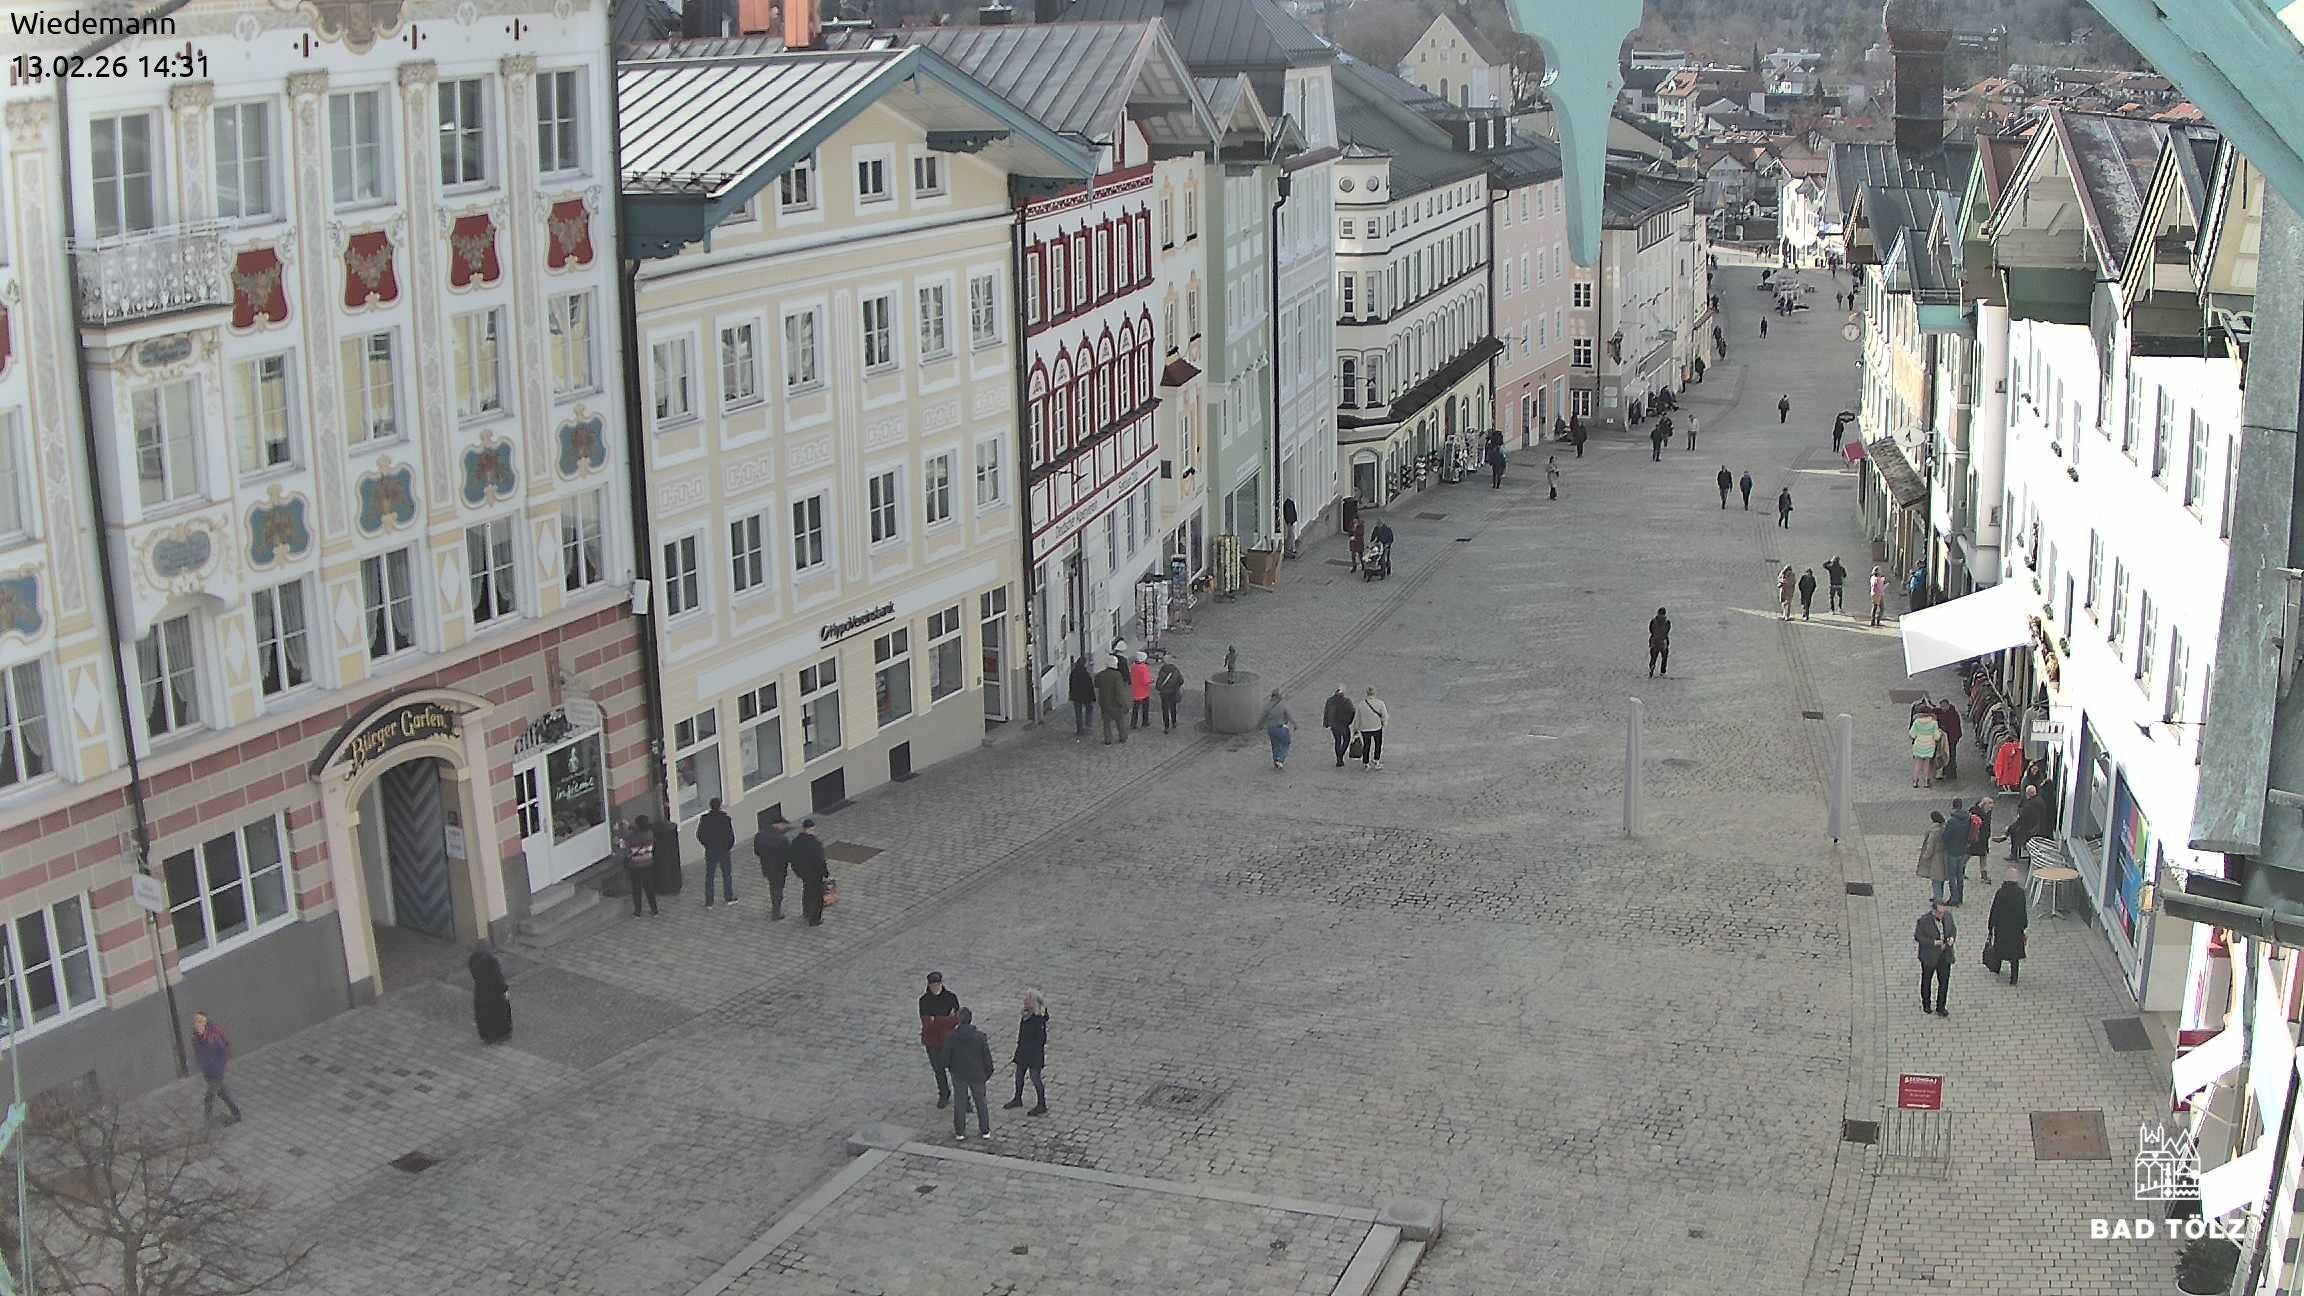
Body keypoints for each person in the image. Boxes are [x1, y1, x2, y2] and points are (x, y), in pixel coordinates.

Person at [942, 1007, 996, 1140]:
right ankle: (985, 1130)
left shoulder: (951, 1036)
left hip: (959, 1074)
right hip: (977, 1074)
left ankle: (959, 1132)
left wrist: (952, 1068)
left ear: (959, 1019)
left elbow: (945, 1058)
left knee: (960, 1103)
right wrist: (987, 1074)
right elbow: (987, 1059)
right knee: (981, 1103)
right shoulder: (980, 1037)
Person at [192, 1011, 244, 1125]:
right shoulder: (195, 1037)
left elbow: (223, 1052)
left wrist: (218, 1069)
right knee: (222, 1093)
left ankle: (207, 1123)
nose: (197, 1024)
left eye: (200, 1022)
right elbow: (198, 1053)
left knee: (209, 1097)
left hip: (216, 1072)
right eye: (196, 1021)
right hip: (207, 1071)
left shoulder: (213, 1037)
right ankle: (236, 1114)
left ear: (205, 1023)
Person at [1004, 990, 1050, 1115]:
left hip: (1034, 1054)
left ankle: (1042, 1104)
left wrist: (1029, 1046)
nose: (1024, 1001)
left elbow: (1041, 1040)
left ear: (1033, 1002)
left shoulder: (1038, 1020)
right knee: (1019, 1075)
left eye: (1027, 999)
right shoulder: (1026, 1015)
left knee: (1035, 1078)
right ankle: (1017, 1098)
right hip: (1023, 1051)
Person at [919, 972, 961, 1109]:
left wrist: (936, 1019)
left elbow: (956, 1020)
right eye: (932, 984)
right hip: (933, 1042)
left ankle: (962, 1097)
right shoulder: (924, 1000)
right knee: (938, 1070)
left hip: (949, 1041)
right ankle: (944, 1094)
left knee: (956, 1070)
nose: (935, 987)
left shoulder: (951, 998)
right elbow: (927, 1024)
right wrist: (945, 1020)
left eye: (937, 984)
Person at [1916, 900, 1955, 1017]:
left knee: (1944, 981)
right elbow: (1918, 937)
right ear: (1933, 911)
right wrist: (1933, 942)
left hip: (1944, 955)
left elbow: (1953, 929)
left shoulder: (1948, 917)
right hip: (1930, 956)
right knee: (1927, 980)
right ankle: (1926, 1003)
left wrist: (1952, 938)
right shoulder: (1923, 921)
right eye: (1939, 913)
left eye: (1943, 913)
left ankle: (1941, 1006)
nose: (1941, 915)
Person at [1986, 879, 2029, 985]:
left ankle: (1996, 968)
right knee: (2014, 956)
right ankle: (2014, 978)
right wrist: (2024, 926)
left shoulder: (2000, 893)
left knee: (1999, 949)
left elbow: (1994, 910)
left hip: (2001, 928)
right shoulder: (2020, 894)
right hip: (2015, 930)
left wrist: (1990, 927)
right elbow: (2023, 912)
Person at [469, 942, 512, 1045]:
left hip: (481, 992)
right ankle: (501, 1035)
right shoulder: (491, 961)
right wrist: (504, 990)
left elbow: (474, 974)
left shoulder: (473, 959)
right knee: (499, 1014)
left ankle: (487, 1037)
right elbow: (498, 978)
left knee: (483, 1015)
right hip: (494, 993)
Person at [698, 797, 737, 908]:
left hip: (710, 850)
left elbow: (699, 834)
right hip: (723, 850)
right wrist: (727, 846)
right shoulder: (725, 819)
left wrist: (707, 844)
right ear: (719, 806)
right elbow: (730, 836)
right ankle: (728, 897)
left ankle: (709, 902)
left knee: (710, 876)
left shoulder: (705, 819)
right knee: (726, 874)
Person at [791, 818, 829, 925]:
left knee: (807, 890)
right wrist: (825, 872)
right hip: (815, 874)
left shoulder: (796, 841)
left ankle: (806, 912)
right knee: (817, 897)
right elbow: (819, 861)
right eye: (812, 830)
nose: (813, 832)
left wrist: (797, 870)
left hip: (803, 873)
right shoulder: (815, 844)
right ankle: (815, 919)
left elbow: (792, 856)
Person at [754, 813, 791, 920]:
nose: (784, 828)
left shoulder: (760, 835)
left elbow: (757, 852)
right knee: (778, 888)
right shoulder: (782, 839)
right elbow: (788, 855)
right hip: (779, 868)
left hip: (767, 866)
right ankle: (776, 912)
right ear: (778, 825)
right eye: (783, 825)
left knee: (773, 886)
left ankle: (775, 907)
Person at [622, 815, 660, 917]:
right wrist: (630, 827)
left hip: (635, 866)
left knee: (636, 888)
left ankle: (638, 911)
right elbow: (637, 832)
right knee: (649, 887)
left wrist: (625, 829)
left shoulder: (632, 837)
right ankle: (654, 910)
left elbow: (626, 845)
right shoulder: (650, 834)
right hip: (648, 864)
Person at [2002, 784, 2047, 862]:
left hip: (2031, 830)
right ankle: (2006, 835)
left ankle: (2013, 854)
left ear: (2027, 794)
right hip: (2038, 826)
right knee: (2015, 828)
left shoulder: (2029, 805)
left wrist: (2009, 828)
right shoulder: (2039, 800)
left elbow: (2021, 821)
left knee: (2014, 831)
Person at [1940, 798, 1972, 905]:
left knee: (1952, 876)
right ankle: (1960, 896)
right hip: (1962, 850)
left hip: (1952, 851)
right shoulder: (1968, 818)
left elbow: (1945, 837)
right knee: (1960, 875)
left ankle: (1954, 898)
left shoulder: (1952, 821)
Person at [1916, 812, 1951, 903]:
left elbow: (1930, 846)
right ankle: (1938, 896)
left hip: (1936, 858)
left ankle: (1938, 899)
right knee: (1941, 878)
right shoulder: (1945, 827)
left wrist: (1925, 856)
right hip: (1944, 855)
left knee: (1936, 879)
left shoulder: (1934, 831)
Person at [1094, 657, 1129, 745]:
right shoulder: (1117, 675)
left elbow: (1096, 684)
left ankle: (1108, 739)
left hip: (1104, 701)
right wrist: (1124, 704)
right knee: (1119, 720)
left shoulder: (1101, 674)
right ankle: (1122, 737)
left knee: (1106, 722)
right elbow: (1119, 692)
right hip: (1114, 702)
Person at [1260, 690, 1294, 770]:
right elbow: (1289, 715)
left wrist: (1260, 726)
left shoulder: (1267, 706)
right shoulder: (1283, 705)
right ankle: (1280, 760)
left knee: (1275, 745)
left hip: (1271, 729)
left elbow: (1263, 717)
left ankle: (1275, 760)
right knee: (1286, 744)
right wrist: (1295, 724)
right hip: (1281, 728)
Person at [1323, 685, 1356, 767]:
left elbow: (1326, 712)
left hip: (1334, 725)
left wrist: (1326, 722)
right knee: (1346, 740)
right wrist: (1350, 721)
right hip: (1344, 724)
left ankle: (1339, 758)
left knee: (1337, 741)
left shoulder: (1330, 700)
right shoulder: (1346, 701)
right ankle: (1341, 755)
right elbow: (1352, 711)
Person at [1909, 708, 1942, 788]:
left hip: (1919, 744)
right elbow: (1937, 736)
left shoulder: (1917, 722)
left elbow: (1912, 734)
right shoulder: (1934, 722)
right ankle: (1926, 781)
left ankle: (1915, 781)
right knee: (1927, 763)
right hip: (1929, 744)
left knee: (1918, 763)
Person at [1357, 687, 1389, 769]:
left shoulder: (1361, 704)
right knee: (1378, 744)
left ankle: (1366, 762)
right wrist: (1384, 724)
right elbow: (1385, 715)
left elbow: (1357, 718)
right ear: (1375, 693)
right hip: (1377, 727)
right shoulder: (1380, 703)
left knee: (1366, 745)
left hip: (1365, 728)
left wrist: (1356, 729)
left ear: (1366, 693)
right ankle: (1376, 760)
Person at [1968, 796, 1996, 886]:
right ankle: (1960, 870)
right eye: (1990, 804)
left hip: (1984, 838)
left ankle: (1984, 876)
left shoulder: (1987, 812)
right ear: (1984, 804)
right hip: (1976, 837)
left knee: (1983, 856)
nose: (1992, 807)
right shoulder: (1975, 813)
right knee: (1968, 854)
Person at [1933, 699, 1964, 780]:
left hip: (1952, 738)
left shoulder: (1952, 714)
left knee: (1951, 754)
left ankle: (1951, 773)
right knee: (1948, 753)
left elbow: (1945, 720)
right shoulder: (1951, 712)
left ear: (1948, 705)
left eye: (1943, 706)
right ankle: (1948, 771)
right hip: (1952, 737)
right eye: (1941, 706)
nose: (1942, 708)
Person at [1067, 657, 1095, 740]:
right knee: (1089, 709)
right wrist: (1092, 697)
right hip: (1086, 696)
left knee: (1078, 713)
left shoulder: (1073, 672)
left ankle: (1080, 729)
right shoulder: (1086, 673)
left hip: (1076, 696)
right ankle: (1088, 726)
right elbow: (1089, 686)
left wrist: (1071, 694)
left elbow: (1071, 684)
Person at [1155, 658, 1185, 732]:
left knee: (1165, 709)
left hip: (1164, 694)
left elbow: (1158, 684)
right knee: (1173, 707)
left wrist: (1160, 688)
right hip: (1173, 692)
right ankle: (1174, 722)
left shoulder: (1162, 670)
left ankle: (1166, 726)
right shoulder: (1175, 670)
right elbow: (1181, 680)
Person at [1129, 652, 1154, 729]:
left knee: (1135, 708)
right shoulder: (1143, 667)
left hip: (1136, 690)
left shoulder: (1133, 667)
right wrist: (1151, 680)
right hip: (1144, 691)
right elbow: (1146, 680)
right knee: (1145, 707)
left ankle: (1133, 723)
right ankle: (1145, 721)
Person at [1648, 607, 1672, 677]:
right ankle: (1662, 671)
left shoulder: (1653, 621)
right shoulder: (1667, 622)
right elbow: (1667, 631)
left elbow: (1651, 630)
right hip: (1663, 641)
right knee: (1664, 657)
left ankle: (1652, 666)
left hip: (1654, 641)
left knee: (1653, 657)